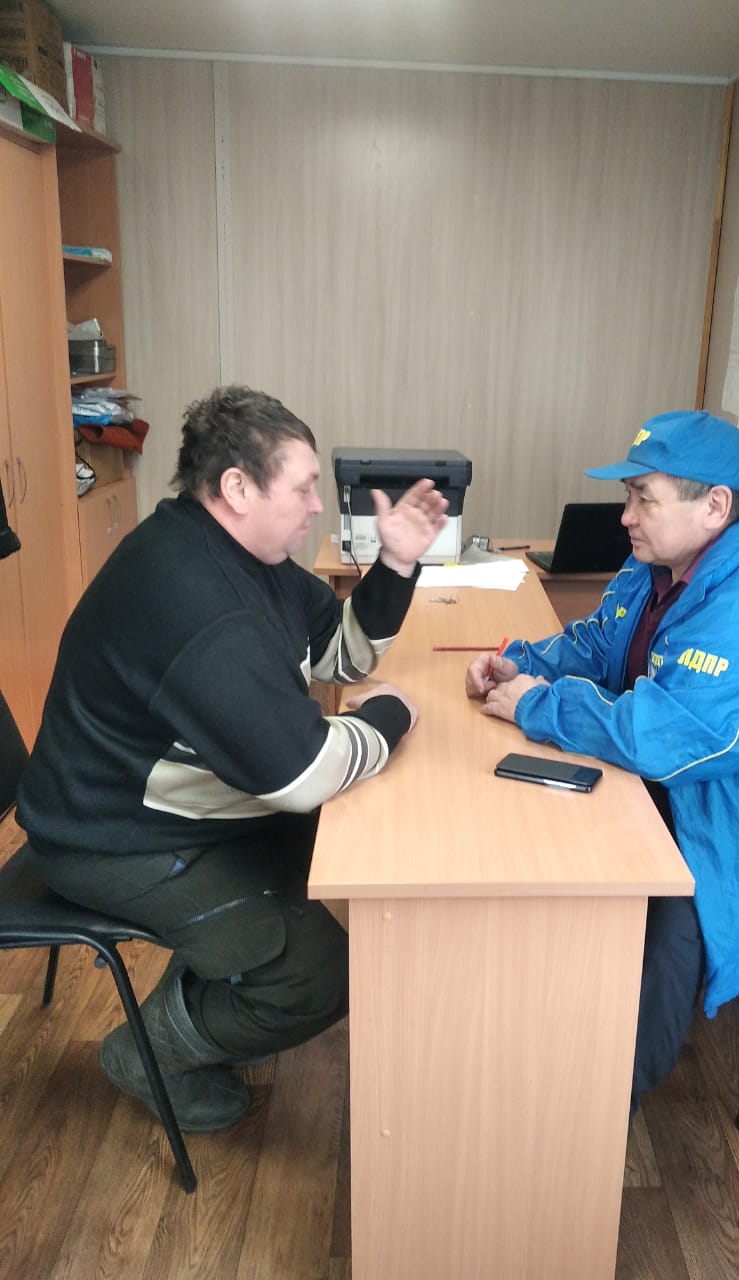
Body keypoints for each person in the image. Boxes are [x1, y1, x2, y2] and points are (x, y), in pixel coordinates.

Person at [17, 385, 448, 1131]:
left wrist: (397, 563)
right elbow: (302, 774)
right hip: (109, 837)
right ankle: (144, 1054)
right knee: (319, 978)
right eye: (303, 487)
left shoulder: (249, 555)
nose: (317, 505)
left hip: (176, 803)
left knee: (355, 848)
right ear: (239, 488)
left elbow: (338, 654)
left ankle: (213, 977)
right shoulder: (194, 597)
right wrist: (390, 717)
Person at [466, 410, 739, 1106]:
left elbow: (675, 736)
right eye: (628, 495)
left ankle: (599, 1104)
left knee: (668, 912)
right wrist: (521, 664)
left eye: (643, 498)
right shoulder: (659, 562)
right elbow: (599, 644)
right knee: (556, 820)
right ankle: (546, 1007)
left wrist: (541, 705)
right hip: (703, 774)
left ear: (714, 506)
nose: (626, 516)